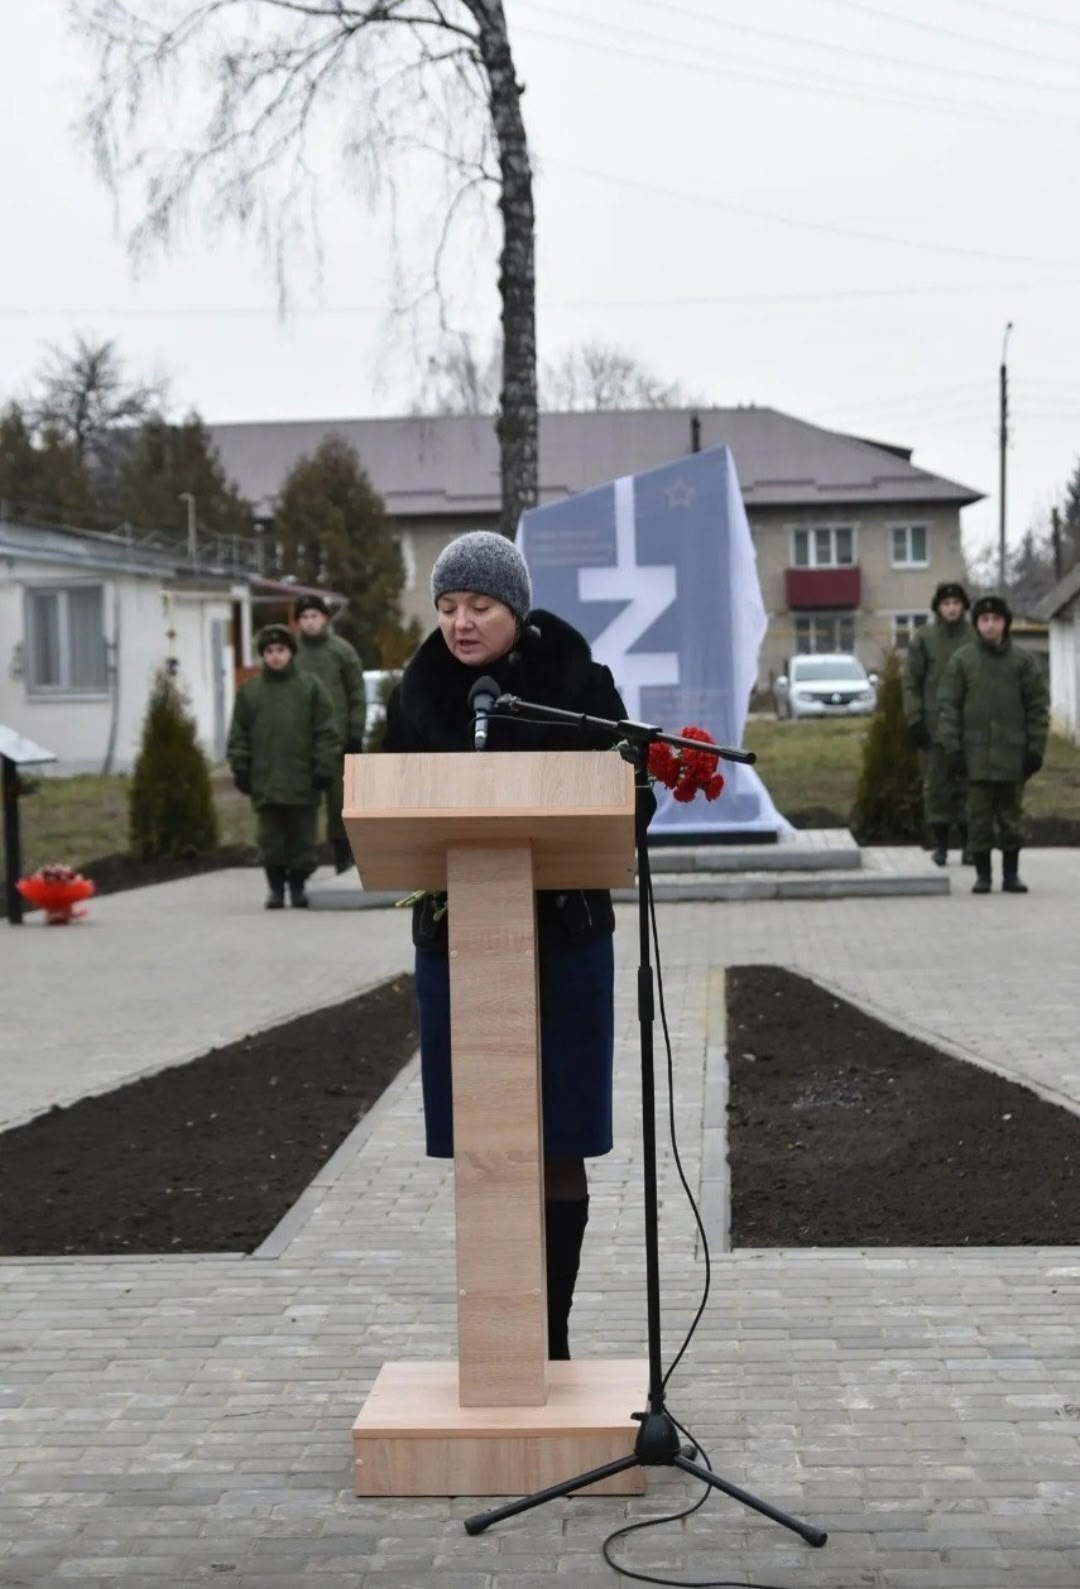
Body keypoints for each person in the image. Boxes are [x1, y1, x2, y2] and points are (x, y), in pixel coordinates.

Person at [382, 529, 632, 1360]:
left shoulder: (577, 680)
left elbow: (628, 798)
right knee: (488, 1149)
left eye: (478, 606)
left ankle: (550, 1337)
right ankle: (498, 1342)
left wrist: (624, 793)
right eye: (448, 606)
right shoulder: (418, 693)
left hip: (563, 941)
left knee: (558, 1139)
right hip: (464, 948)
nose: (459, 622)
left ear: (515, 611)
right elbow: (386, 806)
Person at [938, 594, 1049, 896]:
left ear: (1005, 624)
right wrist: (953, 749)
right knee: (979, 820)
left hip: (1012, 756)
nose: (990, 625)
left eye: (996, 620)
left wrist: (1035, 749)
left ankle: (1011, 875)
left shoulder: (1022, 662)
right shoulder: (963, 661)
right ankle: (983, 876)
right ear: (976, 624)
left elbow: (1038, 708)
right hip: (974, 758)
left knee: (1011, 818)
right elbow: (948, 707)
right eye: (984, 620)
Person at [227, 623, 341, 909]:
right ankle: (276, 889)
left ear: (291, 652)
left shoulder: (310, 688)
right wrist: (240, 766)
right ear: (262, 655)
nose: (275, 656)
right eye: (269, 651)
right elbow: (239, 733)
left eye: (281, 650)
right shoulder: (250, 692)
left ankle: (298, 886)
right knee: (270, 839)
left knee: (303, 838)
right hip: (266, 781)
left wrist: (324, 766)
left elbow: (326, 730)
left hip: (303, 780)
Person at [292, 594, 367, 874]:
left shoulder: (342, 651)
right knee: (301, 805)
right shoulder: (292, 653)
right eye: (304, 617)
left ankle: (343, 858)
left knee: (340, 803)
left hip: (337, 741)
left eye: (314, 616)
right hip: (302, 743)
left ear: (324, 618)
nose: (310, 622)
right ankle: (300, 862)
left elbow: (357, 693)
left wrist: (356, 733)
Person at [901, 581, 973, 865]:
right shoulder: (925, 639)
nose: (952, 609)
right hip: (934, 726)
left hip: (970, 727)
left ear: (964, 606)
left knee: (969, 787)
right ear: (938, 608)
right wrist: (915, 718)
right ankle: (941, 845)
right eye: (946, 604)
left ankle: (970, 845)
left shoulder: (975, 637)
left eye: (956, 603)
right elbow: (911, 682)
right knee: (938, 788)